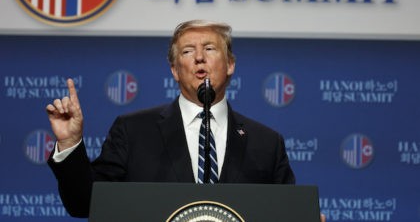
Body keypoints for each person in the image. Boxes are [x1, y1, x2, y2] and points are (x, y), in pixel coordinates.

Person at [46, 20, 296, 218]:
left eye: (209, 48)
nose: (199, 57)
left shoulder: (266, 143)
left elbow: (284, 211)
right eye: (188, 51)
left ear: (230, 64)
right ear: (175, 70)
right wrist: (70, 144)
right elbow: (85, 204)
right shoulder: (133, 132)